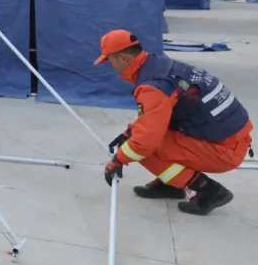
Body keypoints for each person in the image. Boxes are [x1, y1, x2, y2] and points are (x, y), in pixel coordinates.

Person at [96, 29, 253, 215]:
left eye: (109, 60)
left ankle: (209, 191)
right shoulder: (159, 65)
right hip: (231, 137)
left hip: (226, 149)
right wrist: (129, 133)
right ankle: (172, 185)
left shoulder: (152, 85)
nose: (110, 65)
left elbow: (146, 141)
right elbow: (158, 116)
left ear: (122, 58)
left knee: (143, 149)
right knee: (139, 139)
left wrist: (118, 160)